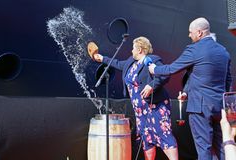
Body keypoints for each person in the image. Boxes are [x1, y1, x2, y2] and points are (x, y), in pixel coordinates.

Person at [148, 17, 232, 160]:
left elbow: (172, 68)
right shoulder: (223, 51)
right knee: (222, 148)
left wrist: (155, 69)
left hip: (200, 108)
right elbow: (227, 79)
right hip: (220, 107)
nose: (189, 35)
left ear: (199, 33)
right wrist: (187, 92)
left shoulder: (195, 49)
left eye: (190, 32)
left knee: (203, 149)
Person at [92, 36, 178, 160]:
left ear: (140, 50)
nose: (131, 51)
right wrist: (102, 59)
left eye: (133, 48)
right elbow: (117, 63)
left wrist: (151, 86)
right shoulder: (130, 62)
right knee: (146, 138)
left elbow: (164, 74)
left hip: (155, 107)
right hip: (140, 111)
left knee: (163, 133)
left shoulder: (152, 60)